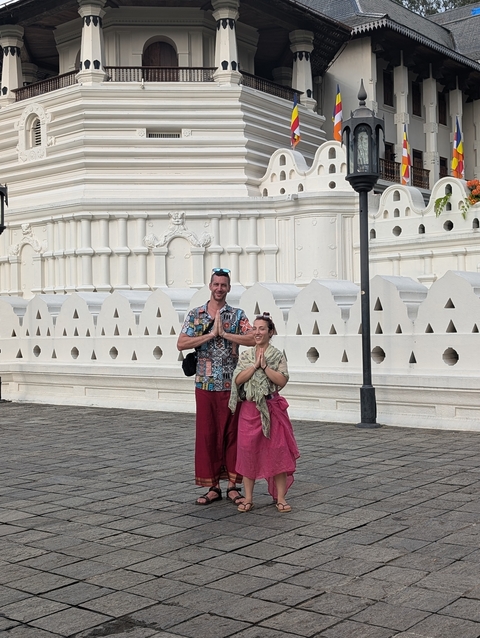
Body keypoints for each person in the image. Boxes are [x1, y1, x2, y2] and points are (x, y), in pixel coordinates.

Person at [177, 268, 255, 506]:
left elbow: (253, 338)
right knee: (207, 434)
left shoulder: (237, 315)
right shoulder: (196, 314)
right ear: (210, 286)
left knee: (232, 434)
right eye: (216, 284)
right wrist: (211, 335)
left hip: (232, 384)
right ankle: (212, 486)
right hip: (205, 382)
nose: (219, 288)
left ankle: (233, 485)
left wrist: (227, 335)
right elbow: (181, 343)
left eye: (224, 285)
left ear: (229, 288)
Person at [229, 312, 299, 513]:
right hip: (250, 410)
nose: (257, 332)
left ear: (271, 332)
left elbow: (282, 380)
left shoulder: (277, 355)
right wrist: (254, 367)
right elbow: (238, 379)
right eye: (255, 329)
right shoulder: (246, 355)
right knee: (248, 452)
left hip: (271, 408)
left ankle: (281, 498)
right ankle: (249, 498)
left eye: (262, 329)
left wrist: (266, 367)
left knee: (278, 452)